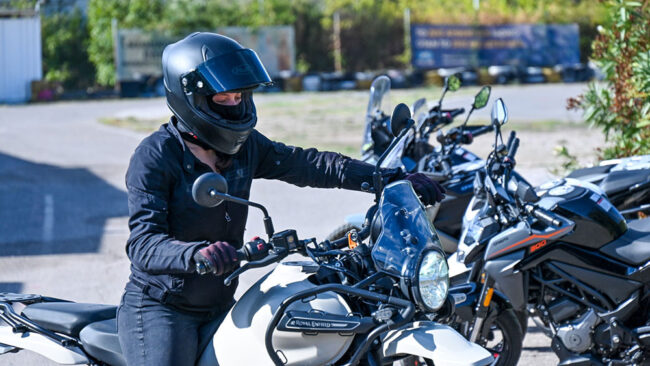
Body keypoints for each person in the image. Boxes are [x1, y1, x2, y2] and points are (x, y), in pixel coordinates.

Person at [117, 32, 445, 366]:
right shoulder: (155, 156)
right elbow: (143, 244)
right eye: (223, 97)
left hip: (220, 302)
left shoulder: (245, 148)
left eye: (239, 95)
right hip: (163, 310)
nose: (234, 104)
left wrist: (388, 178)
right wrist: (197, 253)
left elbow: (309, 164)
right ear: (191, 98)